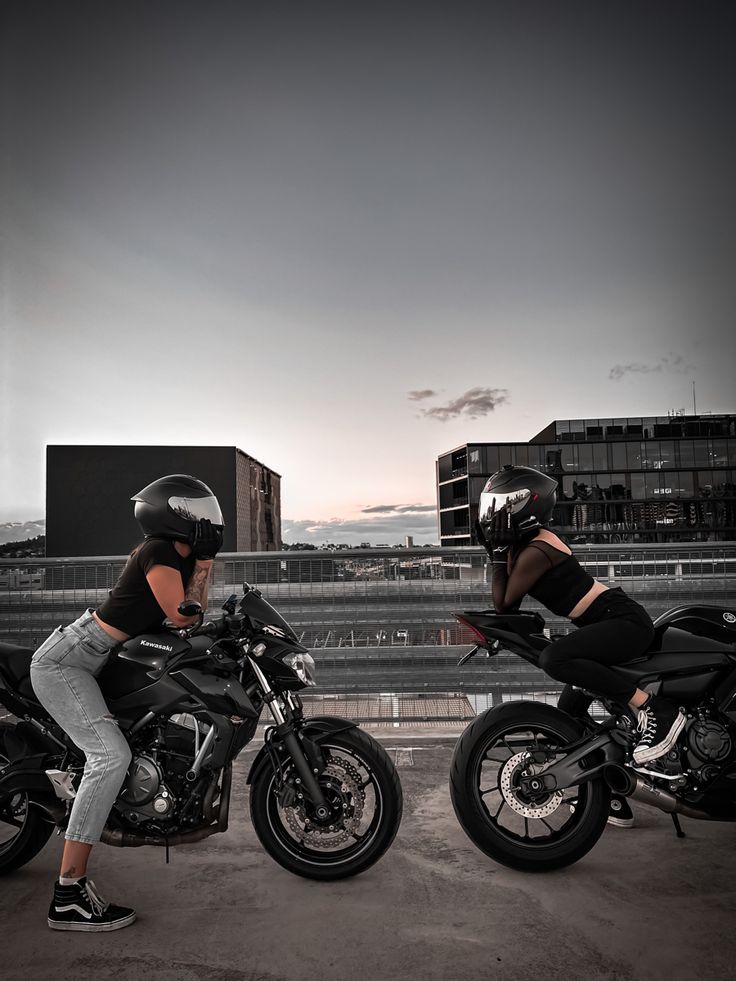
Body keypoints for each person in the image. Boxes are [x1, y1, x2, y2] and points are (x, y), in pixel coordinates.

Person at [30, 474, 224, 932]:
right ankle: (68, 894)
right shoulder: (159, 551)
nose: (210, 522)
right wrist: (207, 561)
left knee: (132, 742)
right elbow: (181, 616)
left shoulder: (177, 557)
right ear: (173, 515)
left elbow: (192, 611)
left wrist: (203, 563)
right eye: (201, 514)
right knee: (109, 756)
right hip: (69, 662)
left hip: (95, 659)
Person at [475, 465, 686, 779]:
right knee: (568, 718)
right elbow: (506, 603)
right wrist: (499, 549)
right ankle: (613, 791)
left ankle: (654, 708)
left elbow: (504, 603)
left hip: (622, 622)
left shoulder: (539, 548)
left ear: (524, 505)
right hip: (601, 624)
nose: (493, 516)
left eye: (500, 507)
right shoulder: (524, 546)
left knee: (554, 658)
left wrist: (498, 552)